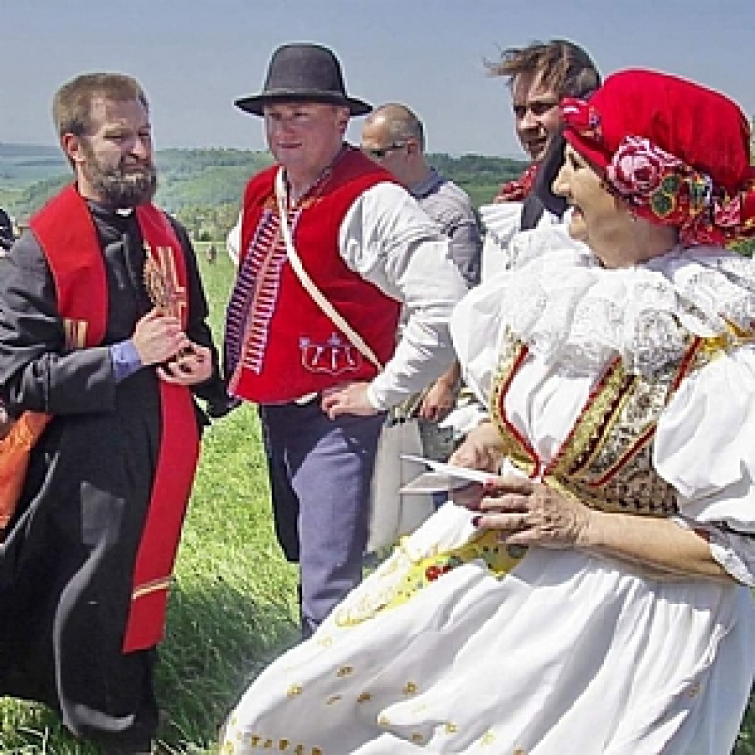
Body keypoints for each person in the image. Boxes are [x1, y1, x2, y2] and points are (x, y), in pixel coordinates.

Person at [220, 68, 755, 753]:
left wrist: (581, 522)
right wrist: (491, 434)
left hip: (622, 625)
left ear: (644, 193)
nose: (558, 184)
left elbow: (738, 547)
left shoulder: (715, 345)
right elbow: (564, 419)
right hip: (517, 573)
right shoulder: (573, 287)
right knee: (312, 706)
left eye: (578, 166)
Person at [0, 72, 233, 754]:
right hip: (76, 458)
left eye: (145, 135)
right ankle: (117, 729)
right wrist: (127, 357)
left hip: (160, 449)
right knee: (88, 589)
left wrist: (203, 368)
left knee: (133, 584)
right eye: (119, 137)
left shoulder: (169, 234)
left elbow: (200, 336)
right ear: (75, 147)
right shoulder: (40, 249)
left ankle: (115, 704)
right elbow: (18, 375)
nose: (139, 151)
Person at [223, 43, 467, 638]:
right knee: (307, 553)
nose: (284, 129)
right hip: (279, 405)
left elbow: (448, 302)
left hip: (335, 414)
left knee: (331, 580)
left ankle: (326, 713)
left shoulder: (374, 199)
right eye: (275, 116)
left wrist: (382, 392)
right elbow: (246, 255)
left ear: (341, 119)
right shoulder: (265, 190)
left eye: (301, 114)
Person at [361, 103, 482, 467]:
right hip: (388, 364)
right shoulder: (378, 203)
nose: (367, 164)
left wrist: (445, 382)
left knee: (422, 475)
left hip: (429, 371)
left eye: (377, 154)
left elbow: (464, 304)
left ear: (411, 149)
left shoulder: (449, 211)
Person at [481, 38, 600, 278]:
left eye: (541, 108)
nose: (526, 125)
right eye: (519, 111)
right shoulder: (524, 204)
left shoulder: (613, 203)